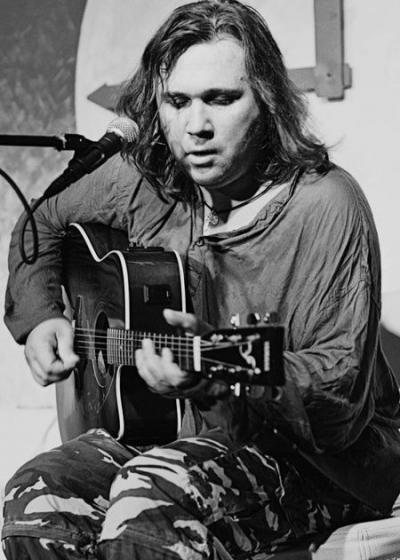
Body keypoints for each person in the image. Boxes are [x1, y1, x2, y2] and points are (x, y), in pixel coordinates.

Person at [2, 0, 400, 558]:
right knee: (36, 498)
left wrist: (216, 368)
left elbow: (338, 391)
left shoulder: (325, 204)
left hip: (320, 462)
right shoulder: (150, 182)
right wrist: (42, 316)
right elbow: (40, 221)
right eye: (177, 102)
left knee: (149, 501)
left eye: (221, 99)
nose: (196, 126)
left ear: (266, 100)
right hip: (176, 440)